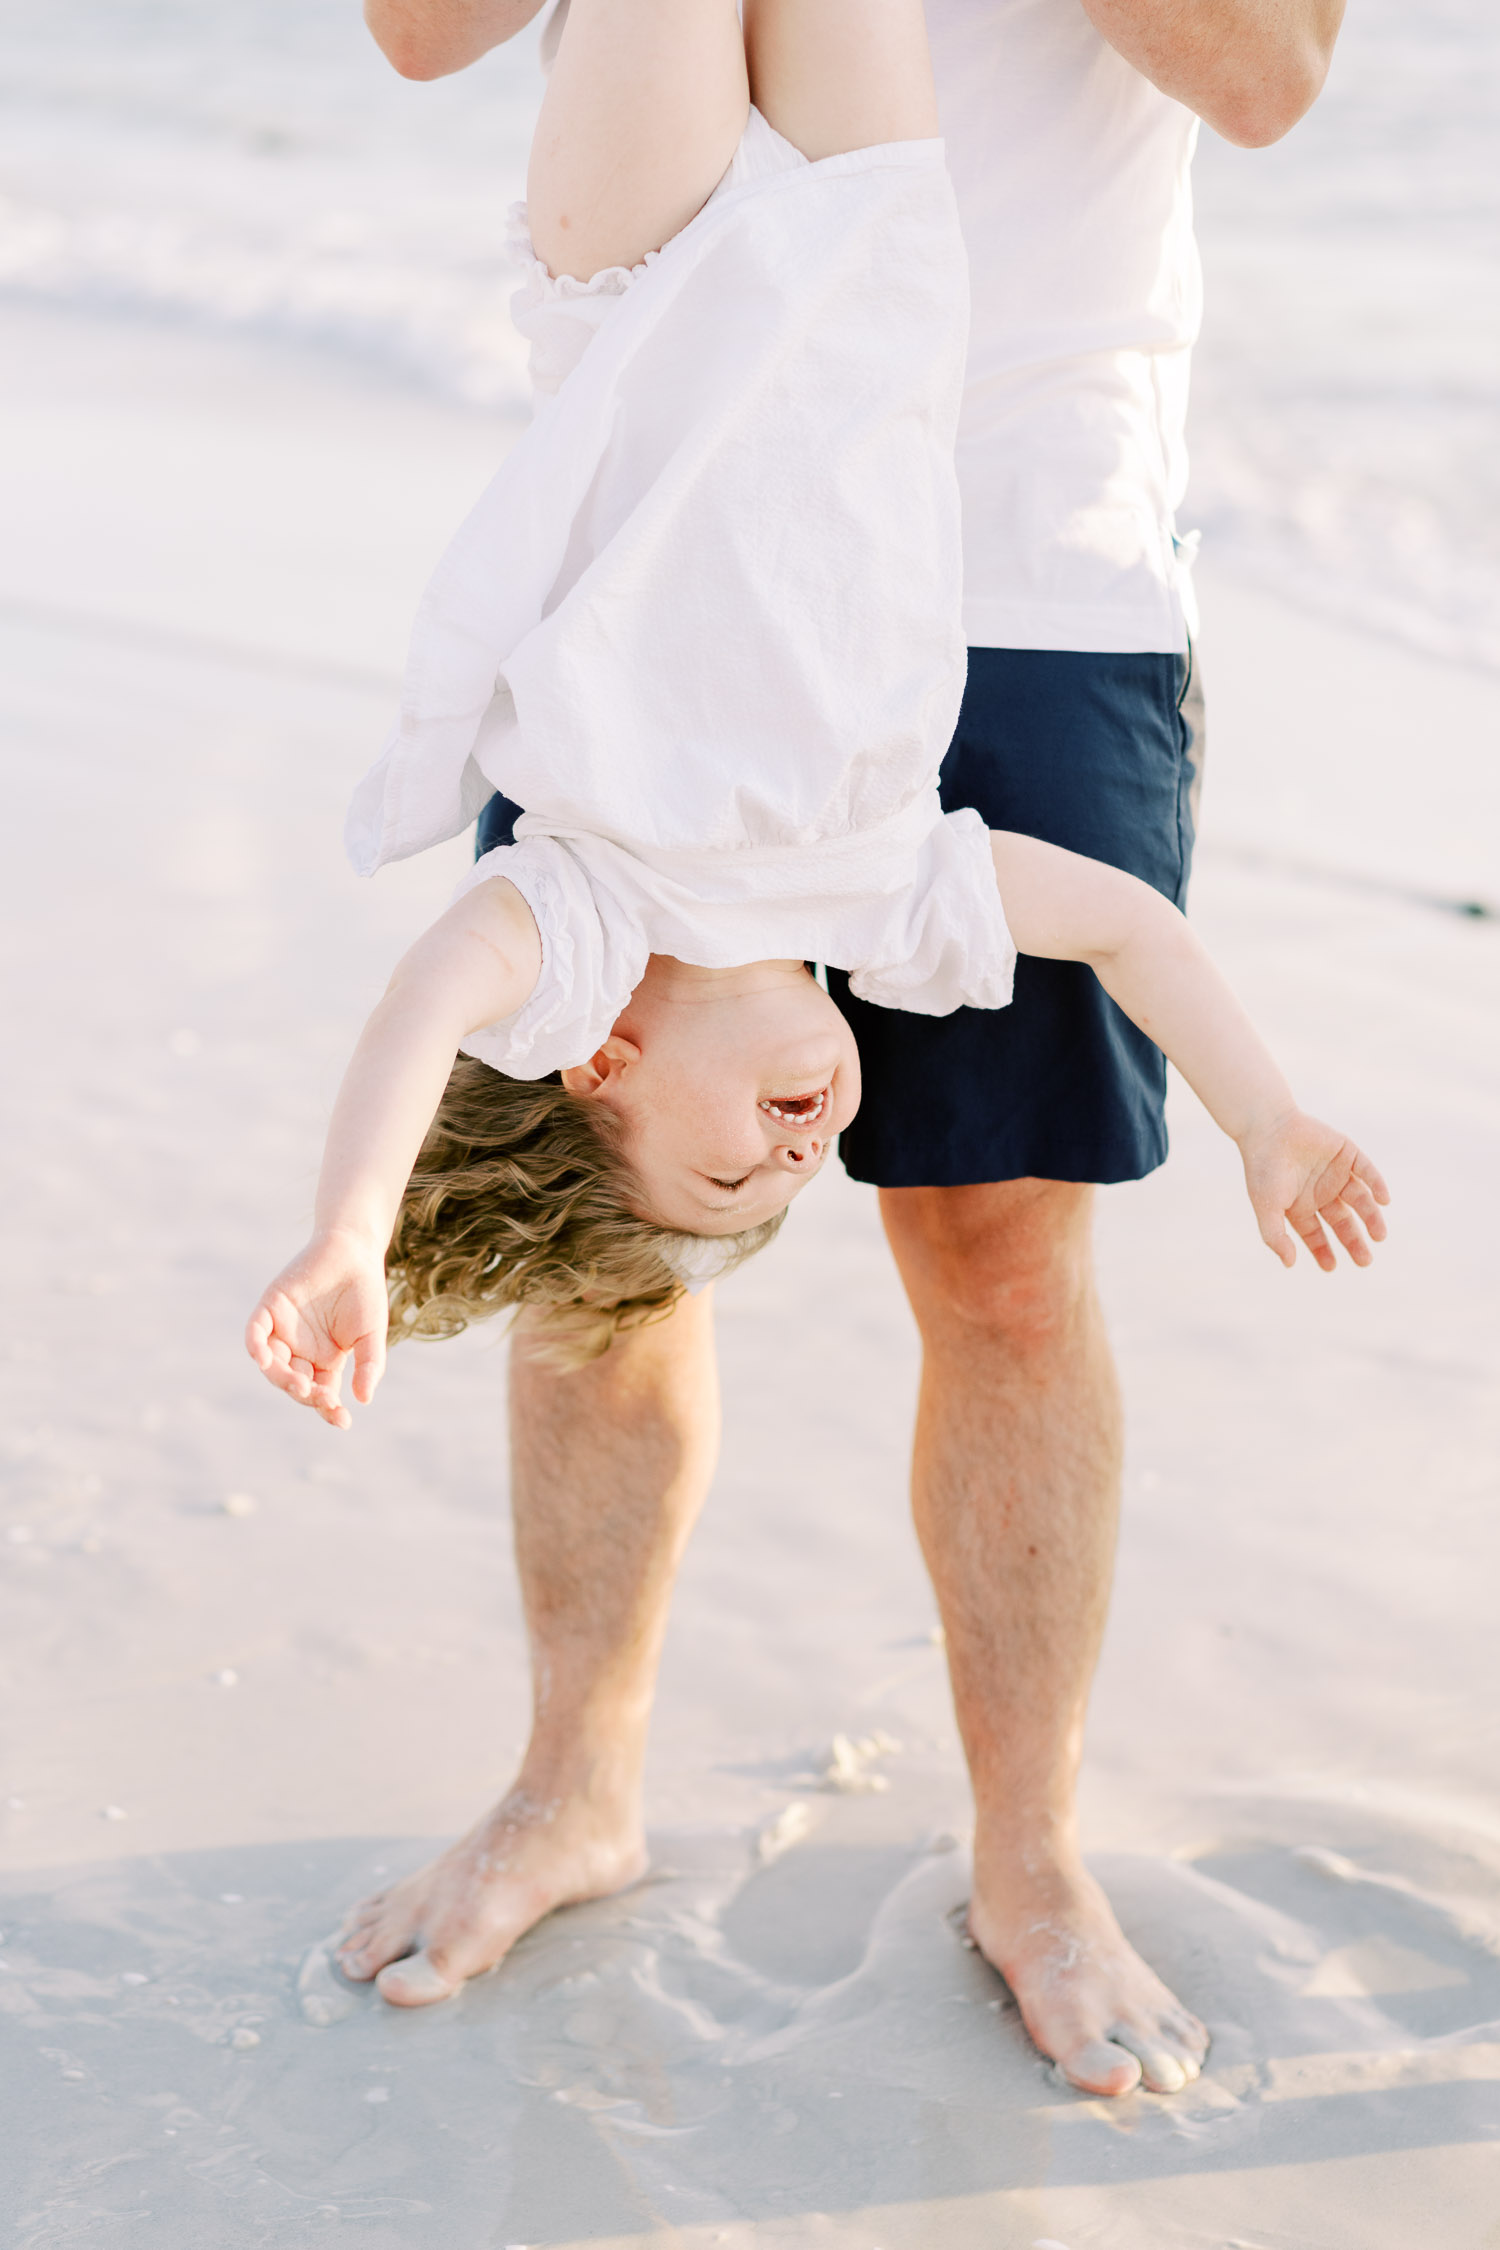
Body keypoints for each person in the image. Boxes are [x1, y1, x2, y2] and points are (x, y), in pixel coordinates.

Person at [307, 0, 1348, 2099]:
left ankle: (1032, 1865)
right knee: (613, 1244)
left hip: (1041, 546)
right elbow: (422, 33)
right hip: (654, 548)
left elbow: (1269, 78)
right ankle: (572, 1785)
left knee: (1006, 1261)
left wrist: (1276, 1116)